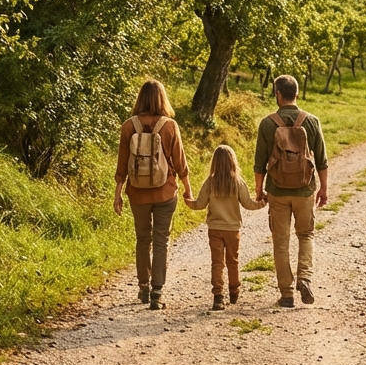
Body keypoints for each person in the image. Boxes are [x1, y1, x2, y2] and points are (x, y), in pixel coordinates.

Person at [114, 79, 191, 311]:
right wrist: (188, 187)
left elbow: (122, 164)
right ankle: (158, 292)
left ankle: (143, 288)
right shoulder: (169, 126)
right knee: (161, 241)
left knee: (142, 239)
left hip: (137, 193)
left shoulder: (129, 126)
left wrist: (117, 193)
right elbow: (180, 161)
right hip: (165, 192)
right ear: (162, 98)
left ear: (140, 98)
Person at [254, 74, 328, 308]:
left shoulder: (268, 123)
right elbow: (322, 160)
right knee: (305, 235)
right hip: (305, 190)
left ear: (278, 94)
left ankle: (286, 294)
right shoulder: (312, 121)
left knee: (281, 242)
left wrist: (259, 190)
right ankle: (304, 278)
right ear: (296, 94)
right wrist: (323, 189)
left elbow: (259, 162)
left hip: (277, 190)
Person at [184, 144, 266, 310]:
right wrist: (264, 202)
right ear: (232, 162)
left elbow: (199, 205)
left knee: (217, 262)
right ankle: (234, 290)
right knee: (232, 261)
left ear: (214, 162)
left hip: (214, 228)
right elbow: (249, 204)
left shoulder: (210, 182)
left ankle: (218, 296)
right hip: (232, 229)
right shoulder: (237, 182)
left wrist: (188, 201)